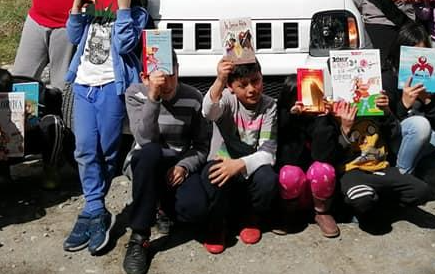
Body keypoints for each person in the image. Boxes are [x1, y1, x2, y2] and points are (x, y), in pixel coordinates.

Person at [63, 0, 149, 256]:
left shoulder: (136, 13)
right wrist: (77, 4)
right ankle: (95, 208)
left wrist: (123, 7)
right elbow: (73, 37)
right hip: (84, 85)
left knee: (108, 149)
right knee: (84, 148)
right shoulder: (93, 10)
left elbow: (125, 44)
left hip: (111, 89)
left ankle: (94, 207)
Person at [121, 51, 211, 274]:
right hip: (146, 161)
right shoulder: (135, 94)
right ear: (145, 76)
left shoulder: (193, 97)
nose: (166, 82)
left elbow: (201, 145)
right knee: (150, 152)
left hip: (177, 163)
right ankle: (139, 236)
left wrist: (184, 166)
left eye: (171, 75)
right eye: (159, 76)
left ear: (178, 71)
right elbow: (144, 139)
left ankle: (164, 207)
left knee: (195, 209)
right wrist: (153, 97)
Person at [198, 57, 278, 254]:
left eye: (256, 81)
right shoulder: (226, 99)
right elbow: (208, 112)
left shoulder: (269, 106)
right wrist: (219, 80)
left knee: (268, 178)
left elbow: (268, 153)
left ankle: (250, 217)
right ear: (231, 87)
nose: (251, 89)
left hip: (247, 166)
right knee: (214, 173)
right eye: (243, 85)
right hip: (222, 162)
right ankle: (217, 224)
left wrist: (239, 164)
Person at [335, 84, 430, 227]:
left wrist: (386, 112)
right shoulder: (336, 111)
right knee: (362, 201)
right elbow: (330, 151)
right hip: (352, 171)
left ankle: (376, 201)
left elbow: (394, 133)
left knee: (422, 191)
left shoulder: (375, 107)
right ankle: (364, 206)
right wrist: (345, 128)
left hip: (381, 168)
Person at [382, 23, 435, 175]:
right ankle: (402, 175)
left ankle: (417, 169)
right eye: (413, 54)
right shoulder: (388, 78)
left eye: (423, 53)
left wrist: (428, 101)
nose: (419, 60)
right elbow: (384, 128)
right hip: (395, 141)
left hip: (421, 139)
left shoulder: (429, 78)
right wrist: (403, 104)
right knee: (420, 125)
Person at [273, 74, 340, 238]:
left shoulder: (322, 120)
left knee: (323, 169)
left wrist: (321, 118)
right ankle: (290, 213)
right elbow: (289, 160)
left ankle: (322, 213)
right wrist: (293, 119)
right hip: (292, 193)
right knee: (289, 172)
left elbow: (322, 156)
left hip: (318, 194)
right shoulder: (281, 118)